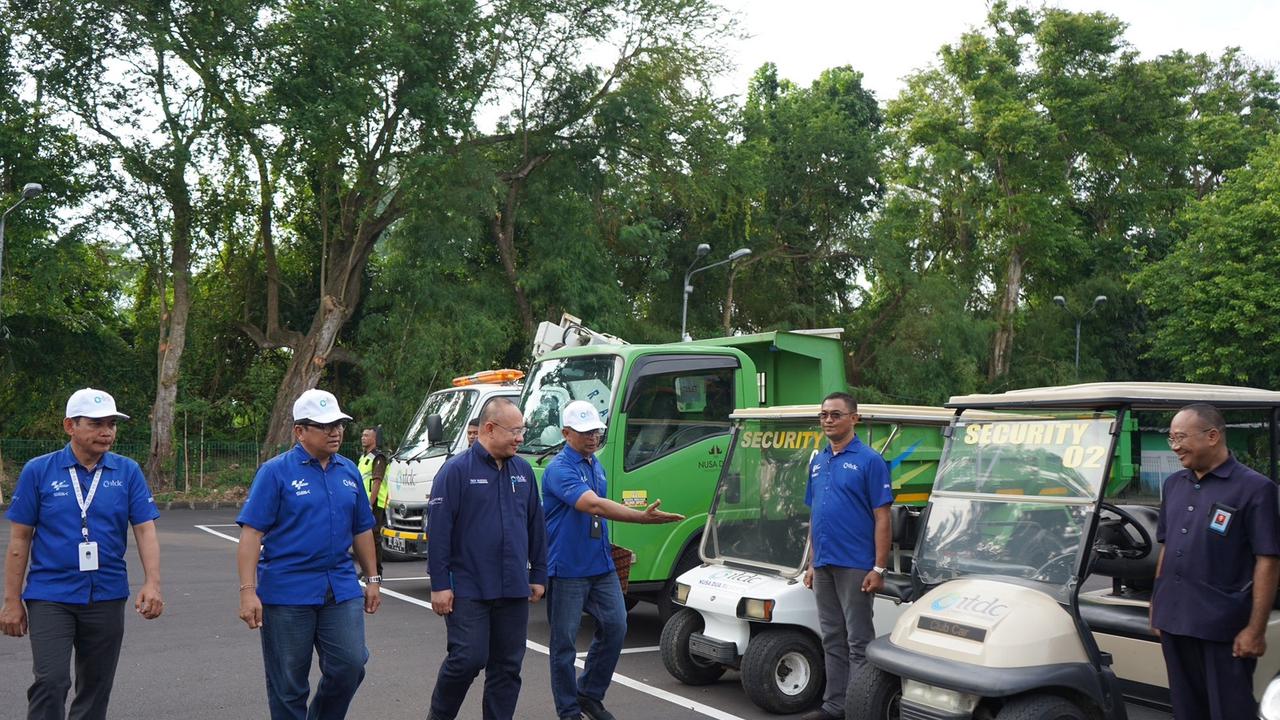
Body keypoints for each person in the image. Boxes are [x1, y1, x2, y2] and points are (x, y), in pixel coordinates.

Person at [1, 387, 163, 720]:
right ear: (70, 426)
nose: (107, 432)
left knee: (96, 686)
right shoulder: (39, 471)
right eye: (96, 423)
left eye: (112, 424)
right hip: (50, 595)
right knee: (51, 680)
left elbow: (145, 529)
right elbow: (20, 539)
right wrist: (12, 600)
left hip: (106, 594)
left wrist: (152, 583)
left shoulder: (128, 471)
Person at [236, 388, 382, 720]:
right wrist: (247, 591)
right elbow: (251, 534)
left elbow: (362, 528)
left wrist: (372, 578)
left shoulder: (349, 472)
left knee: (350, 664)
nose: (336, 432)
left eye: (339, 425)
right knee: (288, 685)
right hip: (288, 591)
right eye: (325, 426)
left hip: (340, 586)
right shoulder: (275, 472)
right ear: (299, 431)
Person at [542, 401, 684, 720]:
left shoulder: (595, 464)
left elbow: (599, 512)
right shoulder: (559, 469)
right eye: (584, 432)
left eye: (595, 431)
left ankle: (589, 694)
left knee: (616, 626)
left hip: (600, 563)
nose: (592, 437)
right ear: (566, 434)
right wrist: (642, 518)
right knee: (563, 644)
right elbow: (595, 506)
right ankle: (568, 710)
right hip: (567, 568)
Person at [1150, 403, 1280, 719]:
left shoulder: (1256, 489)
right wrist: (1157, 602)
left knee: (1229, 712)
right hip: (1174, 622)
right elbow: (1167, 547)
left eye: (1181, 437)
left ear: (1212, 436)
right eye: (1171, 438)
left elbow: (1269, 559)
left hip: (1223, 628)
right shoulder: (1174, 484)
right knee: (1186, 710)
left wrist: (1255, 629)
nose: (1175, 446)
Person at [425, 397, 547, 720]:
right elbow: (437, 532)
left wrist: (539, 575)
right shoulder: (455, 471)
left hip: (513, 588)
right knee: (467, 658)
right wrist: (439, 584)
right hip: (468, 588)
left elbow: (536, 525)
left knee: (507, 668)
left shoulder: (522, 471)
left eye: (522, 430)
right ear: (490, 429)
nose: (521, 438)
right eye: (515, 431)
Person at [801, 391, 892, 720]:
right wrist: (811, 563)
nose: (828, 419)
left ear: (854, 418)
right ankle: (834, 706)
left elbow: (883, 516)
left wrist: (878, 567)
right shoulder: (819, 461)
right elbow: (815, 515)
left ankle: (859, 708)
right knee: (832, 638)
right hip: (824, 564)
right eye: (824, 414)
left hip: (856, 565)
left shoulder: (870, 461)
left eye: (836, 414)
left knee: (858, 641)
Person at [358, 425, 389, 577]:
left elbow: (377, 481)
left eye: (366, 435)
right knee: (364, 536)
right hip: (364, 502)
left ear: (374, 439)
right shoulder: (364, 457)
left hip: (374, 504)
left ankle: (376, 571)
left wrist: (370, 503)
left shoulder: (378, 457)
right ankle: (366, 569)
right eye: (362, 435)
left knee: (374, 537)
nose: (363, 437)